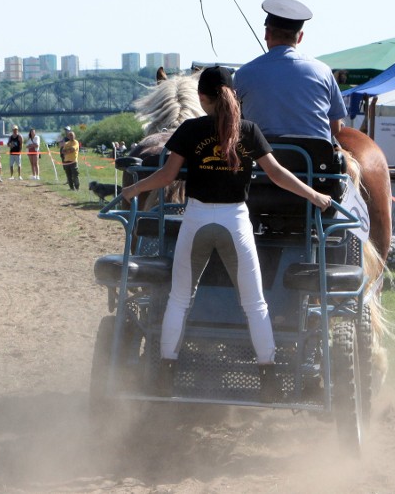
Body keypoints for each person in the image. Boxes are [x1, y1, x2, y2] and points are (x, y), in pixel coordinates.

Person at [121, 67, 332, 401]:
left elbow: (166, 175)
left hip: (197, 221)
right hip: (236, 223)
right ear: (232, 96)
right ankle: (268, 381)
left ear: (202, 98)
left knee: (179, 300)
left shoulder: (190, 130)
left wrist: (134, 192)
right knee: (255, 304)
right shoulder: (248, 130)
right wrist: (315, 196)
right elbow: (277, 174)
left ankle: (165, 376)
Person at [234, 0, 347, 141]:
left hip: (260, 159)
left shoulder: (243, 74)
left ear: (267, 34)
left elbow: (234, 122)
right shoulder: (323, 71)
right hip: (315, 159)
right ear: (300, 37)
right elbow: (335, 127)